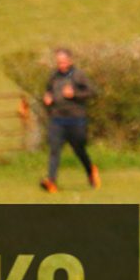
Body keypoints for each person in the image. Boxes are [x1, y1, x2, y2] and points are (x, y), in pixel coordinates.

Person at [40, 47, 99, 193]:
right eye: (59, 62)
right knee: (55, 150)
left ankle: (91, 171)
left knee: (79, 149)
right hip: (57, 119)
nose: (61, 65)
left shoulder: (78, 75)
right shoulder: (53, 76)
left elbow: (93, 92)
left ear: (70, 61)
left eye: (64, 61)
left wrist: (75, 94)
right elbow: (48, 91)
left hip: (76, 119)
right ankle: (51, 182)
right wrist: (47, 99)